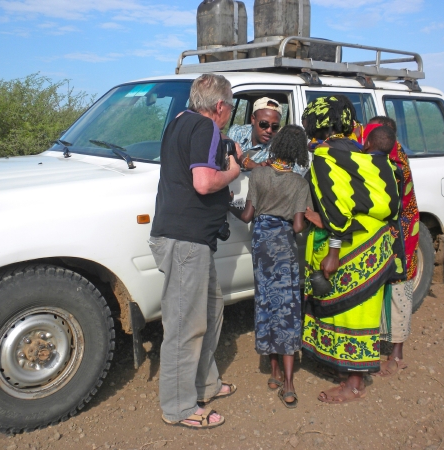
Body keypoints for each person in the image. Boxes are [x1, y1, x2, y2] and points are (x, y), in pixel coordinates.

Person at [149, 73, 241, 429]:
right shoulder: (206, 127)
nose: (229, 113)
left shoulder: (179, 121)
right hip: (185, 241)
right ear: (219, 106)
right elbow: (204, 183)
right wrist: (233, 170)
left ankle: (205, 384)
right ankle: (179, 406)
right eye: (230, 107)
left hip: (192, 239)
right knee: (185, 325)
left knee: (211, 310)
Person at [301, 96, 400, 403]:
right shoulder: (362, 152)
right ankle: (346, 371)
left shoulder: (325, 157)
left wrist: (332, 253)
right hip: (377, 242)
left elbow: (336, 209)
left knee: (352, 313)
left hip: (350, 244)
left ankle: (354, 384)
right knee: (361, 308)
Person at [229, 125, 312, 409]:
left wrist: (229, 205)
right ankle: (289, 384)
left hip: (261, 246)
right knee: (287, 307)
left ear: (277, 146)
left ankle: (274, 373)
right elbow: (298, 226)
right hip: (284, 248)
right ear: (298, 152)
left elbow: (247, 216)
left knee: (266, 302)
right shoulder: (299, 184)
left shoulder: (259, 175)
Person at [365, 116, 420, 377]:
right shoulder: (392, 157)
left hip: (401, 235)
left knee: (398, 293)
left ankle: (396, 354)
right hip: (397, 233)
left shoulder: (394, 163)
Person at [228, 97, 282, 170]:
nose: (269, 130)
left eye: (275, 127)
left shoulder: (278, 149)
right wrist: (244, 161)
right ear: (253, 119)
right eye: (264, 124)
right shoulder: (236, 133)